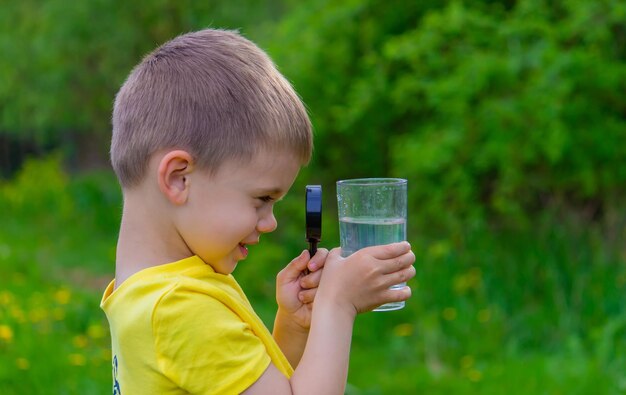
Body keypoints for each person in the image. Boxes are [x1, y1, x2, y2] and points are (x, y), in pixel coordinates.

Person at [100, 28, 415, 395]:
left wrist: (294, 327)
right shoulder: (179, 308)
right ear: (179, 178)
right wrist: (337, 304)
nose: (270, 222)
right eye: (262, 199)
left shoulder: (159, 294)